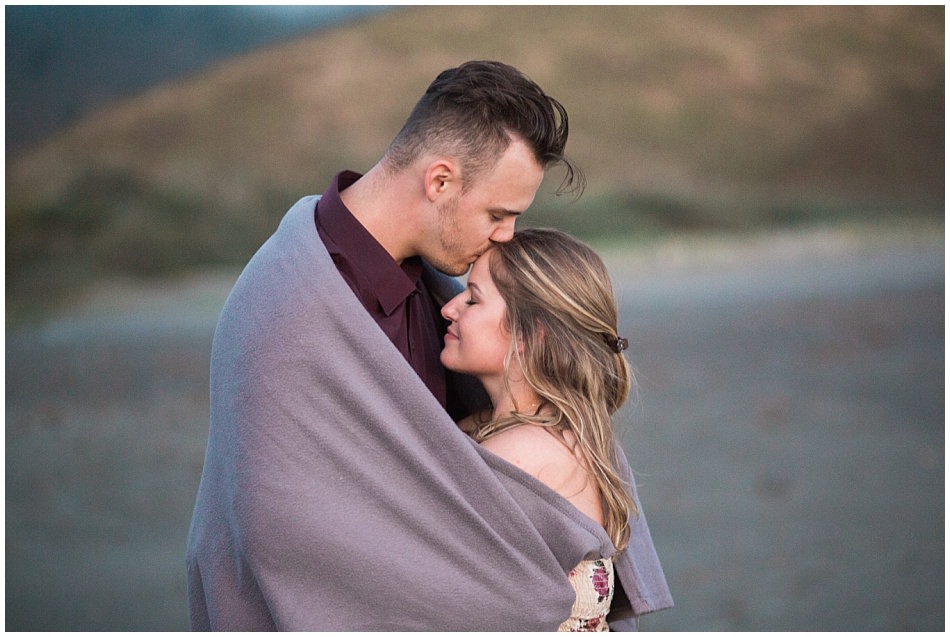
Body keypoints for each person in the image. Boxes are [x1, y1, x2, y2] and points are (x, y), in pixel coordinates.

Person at [186, 60, 671, 630]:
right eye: (498, 213)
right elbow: (267, 527)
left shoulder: (435, 282)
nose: (507, 235)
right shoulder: (286, 305)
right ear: (439, 182)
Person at [441, 228, 650, 631]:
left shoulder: (522, 452)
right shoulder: (566, 434)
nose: (450, 308)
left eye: (472, 298)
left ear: (528, 334)